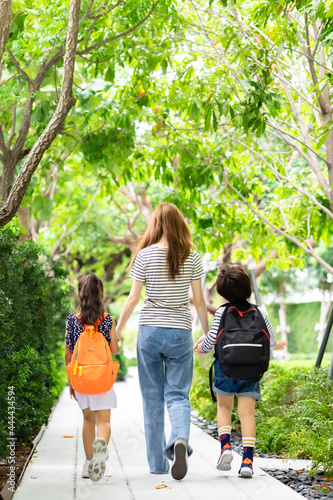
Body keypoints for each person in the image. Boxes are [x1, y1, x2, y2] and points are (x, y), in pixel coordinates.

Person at [116, 202, 209, 480]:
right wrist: (207, 334)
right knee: (178, 395)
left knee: (152, 398)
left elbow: (133, 298)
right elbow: (200, 300)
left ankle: (158, 464)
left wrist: (118, 330)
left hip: (150, 331)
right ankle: (179, 439)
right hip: (181, 330)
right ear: (180, 223)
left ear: (155, 224)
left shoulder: (144, 256)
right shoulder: (191, 256)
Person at [194, 264, 276, 478]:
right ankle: (247, 462)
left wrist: (201, 347)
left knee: (224, 408)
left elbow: (211, 340)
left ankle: (226, 449)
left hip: (226, 368)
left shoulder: (222, 311)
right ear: (247, 287)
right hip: (251, 370)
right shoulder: (260, 311)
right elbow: (272, 341)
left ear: (223, 292)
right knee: (247, 414)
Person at [65, 273, 121, 482]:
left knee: (87, 420)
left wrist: (72, 382)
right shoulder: (108, 320)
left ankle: (89, 464)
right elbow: (114, 350)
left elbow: (68, 354)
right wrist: (119, 341)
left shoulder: (72, 321)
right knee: (103, 421)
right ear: (102, 295)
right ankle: (101, 452)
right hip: (102, 379)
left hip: (81, 378)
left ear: (80, 296)